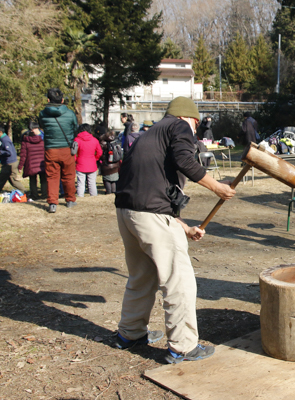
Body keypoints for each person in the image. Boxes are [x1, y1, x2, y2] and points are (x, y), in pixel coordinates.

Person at [114, 96, 236, 364]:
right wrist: (217, 187)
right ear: (191, 119)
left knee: (142, 277)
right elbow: (184, 160)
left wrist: (183, 227)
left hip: (127, 213)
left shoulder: (149, 135)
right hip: (149, 216)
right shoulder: (179, 127)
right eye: (195, 125)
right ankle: (183, 346)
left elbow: (151, 191)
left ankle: (130, 333)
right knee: (179, 281)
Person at [38, 88, 78, 213]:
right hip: (66, 148)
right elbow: (75, 128)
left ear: (48, 100)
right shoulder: (70, 113)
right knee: (69, 176)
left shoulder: (43, 114)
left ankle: (52, 203)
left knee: (52, 177)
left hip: (51, 149)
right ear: (62, 100)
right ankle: (70, 200)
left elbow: (42, 126)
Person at [18, 121, 47, 200]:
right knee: (43, 180)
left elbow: (23, 155)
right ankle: (44, 194)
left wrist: (20, 166)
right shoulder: (43, 140)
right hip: (42, 163)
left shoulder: (25, 141)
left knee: (33, 181)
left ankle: (34, 195)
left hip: (31, 164)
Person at [74, 124, 102, 197]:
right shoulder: (94, 140)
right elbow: (100, 152)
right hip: (92, 163)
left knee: (80, 183)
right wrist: (95, 158)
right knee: (92, 183)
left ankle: (80, 196)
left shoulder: (77, 140)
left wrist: (76, 160)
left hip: (80, 163)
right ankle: (94, 196)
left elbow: (73, 152)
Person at [0, 124, 27, 193]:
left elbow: (9, 152)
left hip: (10, 163)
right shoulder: (3, 139)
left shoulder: (5, 140)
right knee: (11, 179)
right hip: (9, 162)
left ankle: (23, 191)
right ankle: (23, 191)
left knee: (3, 178)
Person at [96, 126, 120, 195]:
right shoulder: (114, 142)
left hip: (106, 164)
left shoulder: (101, 142)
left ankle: (108, 191)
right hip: (115, 164)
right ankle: (114, 191)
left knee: (107, 179)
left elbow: (100, 153)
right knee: (114, 179)